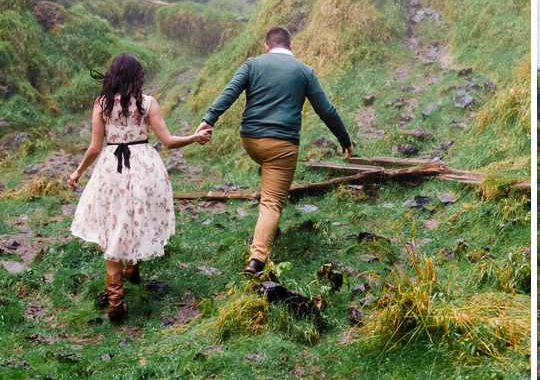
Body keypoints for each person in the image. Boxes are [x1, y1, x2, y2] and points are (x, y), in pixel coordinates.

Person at [197, 25, 355, 275]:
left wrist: (209, 119)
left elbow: (230, 91)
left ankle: (267, 227)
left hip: (249, 140)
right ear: (291, 46)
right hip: (281, 145)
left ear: (266, 46)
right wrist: (344, 139)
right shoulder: (304, 71)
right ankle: (256, 260)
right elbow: (326, 110)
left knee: (268, 180)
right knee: (272, 202)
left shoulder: (252, 64)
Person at [68, 53, 211, 321]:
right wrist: (194, 137)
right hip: (145, 168)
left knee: (115, 223)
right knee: (135, 215)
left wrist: (78, 171)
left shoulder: (101, 105)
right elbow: (167, 141)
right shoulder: (148, 103)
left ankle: (116, 299)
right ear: (137, 77)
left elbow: (95, 148)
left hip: (112, 169)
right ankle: (132, 267)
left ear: (111, 75)